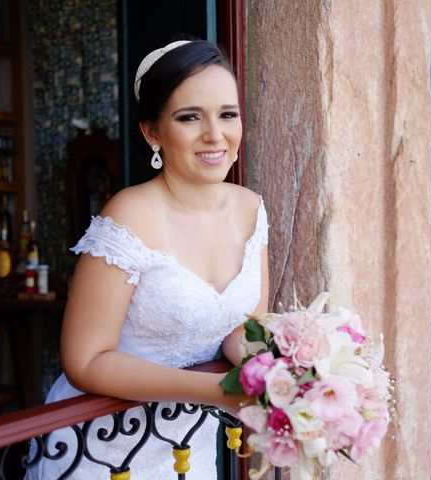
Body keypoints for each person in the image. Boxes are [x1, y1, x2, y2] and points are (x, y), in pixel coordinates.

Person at [25, 39, 268, 480]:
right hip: (103, 451)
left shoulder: (251, 208)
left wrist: (288, 370)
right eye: (189, 117)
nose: (215, 134)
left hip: (186, 449)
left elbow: (240, 327)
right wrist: (216, 391)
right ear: (152, 132)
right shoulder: (129, 214)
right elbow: (85, 361)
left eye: (227, 114)